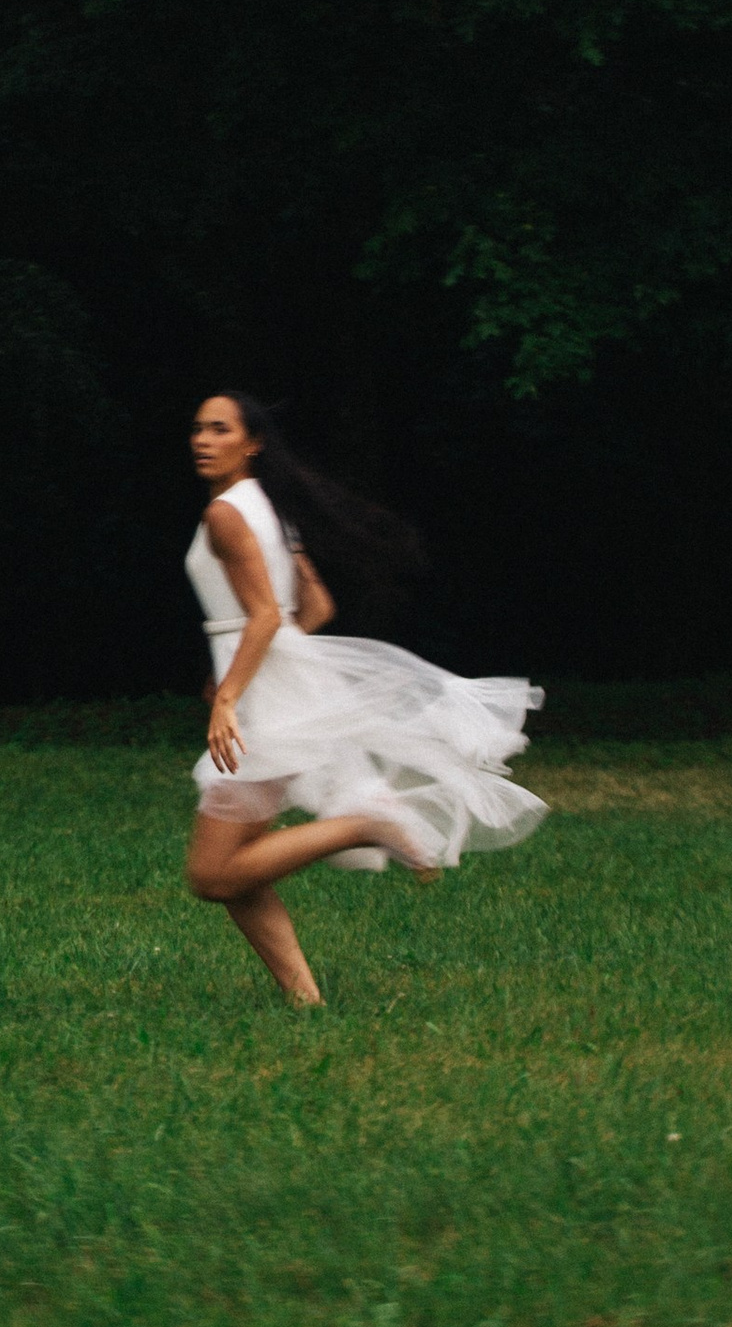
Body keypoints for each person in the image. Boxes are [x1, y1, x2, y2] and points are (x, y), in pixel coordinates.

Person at [183, 392, 547, 1007]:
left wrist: (231, 694)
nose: (202, 440)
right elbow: (314, 607)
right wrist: (246, 670)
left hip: (261, 701)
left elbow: (267, 615)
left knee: (211, 874)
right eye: (197, 429)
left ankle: (363, 824)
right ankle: (305, 999)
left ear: (252, 443)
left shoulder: (225, 513)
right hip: (274, 687)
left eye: (219, 430)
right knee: (237, 866)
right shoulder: (271, 510)